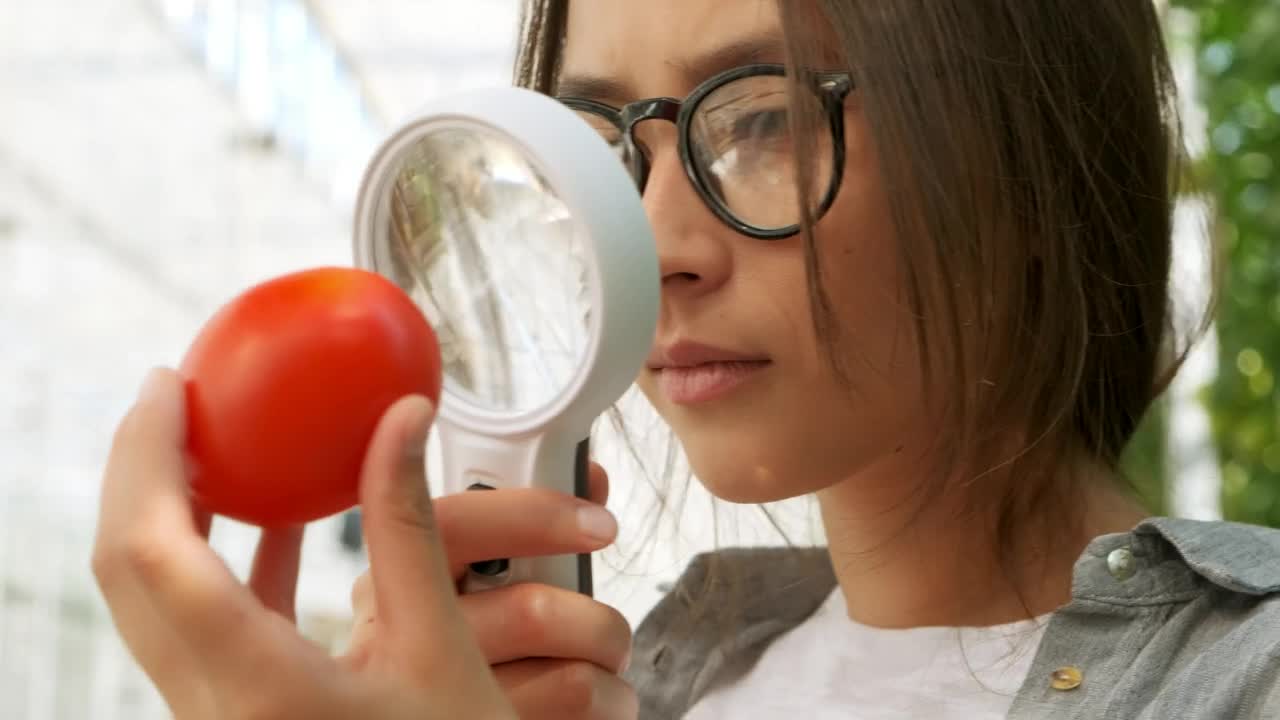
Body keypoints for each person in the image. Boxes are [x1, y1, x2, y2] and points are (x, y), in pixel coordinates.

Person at [92, 1, 1280, 718]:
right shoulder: (662, 684)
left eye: (760, 118)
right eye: (604, 143)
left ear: (1029, 143)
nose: (654, 244)